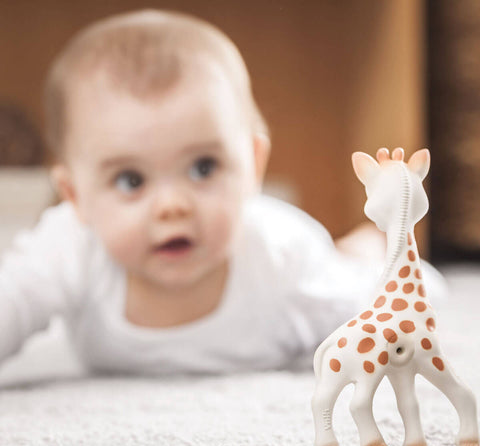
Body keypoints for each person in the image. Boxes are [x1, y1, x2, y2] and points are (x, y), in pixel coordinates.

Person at [0, 9, 445, 374]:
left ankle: (361, 245)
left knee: (353, 264)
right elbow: (12, 298)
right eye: (131, 180)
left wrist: (389, 296)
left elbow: (409, 299)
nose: (172, 206)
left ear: (253, 165)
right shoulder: (71, 244)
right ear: (75, 196)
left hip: (311, 261)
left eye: (203, 168)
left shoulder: (284, 263)